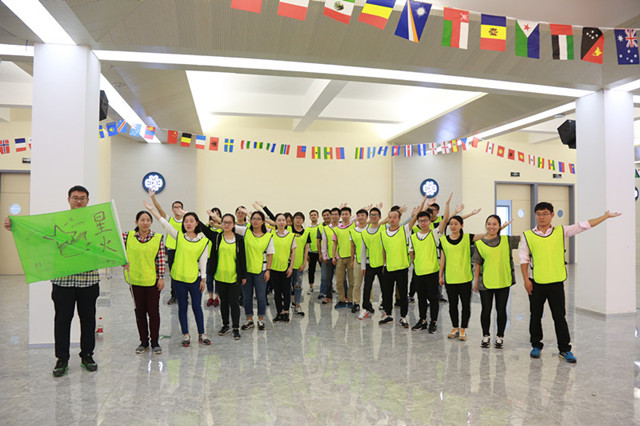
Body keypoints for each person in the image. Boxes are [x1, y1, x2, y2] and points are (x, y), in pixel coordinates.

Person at [4, 185, 100, 377]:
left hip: (88, 280)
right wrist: (15, 226)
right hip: (63, 281)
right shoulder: (57, 221)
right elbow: (38, 234)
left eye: (82, 198)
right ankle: (62, 359)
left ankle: (87, 356)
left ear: (88, 200)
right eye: (75, 198)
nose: (79, 201)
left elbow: (108, 244)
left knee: (88, 320)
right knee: (62, 320)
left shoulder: (96, 223)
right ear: (68, 199)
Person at [519, 202, 621, 363]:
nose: (542, 217)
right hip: (536, 282)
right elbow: (524, 259)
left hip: (556, 282)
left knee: (559, 317)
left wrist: (605, 216)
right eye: (538, 214)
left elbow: (583, 226)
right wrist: (526, 280)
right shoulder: (527, 235)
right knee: (535, 316)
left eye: (545, 213)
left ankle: (565, 349)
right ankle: (536, 345)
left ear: (552, 215)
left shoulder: (561, 231)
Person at [144, 201, 211, 347]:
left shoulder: (203, 241)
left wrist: (203, 279)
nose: (188, 223)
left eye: (191, 221)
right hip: (179, 279)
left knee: (197, 307)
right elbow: (164, 223)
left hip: (194, 279)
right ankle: (185, 334)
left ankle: (202, 333)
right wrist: (152, 210)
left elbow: (203, 261)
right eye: (186, 221)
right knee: (182, 307)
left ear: (196, 223)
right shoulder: (179, 236)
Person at [439, 214, 502, 341]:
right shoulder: (443, 240)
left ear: (461, 225)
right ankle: (455, 327)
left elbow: (486, 234)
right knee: (452, 306)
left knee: (465, 306)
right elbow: (443, 259)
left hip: (465, 278)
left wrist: (498, 228)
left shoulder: (468, 238)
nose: (453, 226)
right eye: (451, 224)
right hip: (450, 278)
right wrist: (440, 275)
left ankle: (463, 328)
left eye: (456, 224)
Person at [473, 215, 520, 349]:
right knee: (486, 310)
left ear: (499, 226)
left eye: (494, 224)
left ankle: (500, 336)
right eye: (489, 224)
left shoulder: (507, 240)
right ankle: (485, 335)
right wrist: (476, 282)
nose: (491, 227)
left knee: (501, 310)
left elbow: (526, 238)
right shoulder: (480, 244)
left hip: (503, 281)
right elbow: (477, 264)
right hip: (485, 282)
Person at [122, 210, 165, 355]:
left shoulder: (157, 238)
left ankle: (155, 342)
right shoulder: (127, 237)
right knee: (139, 313)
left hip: (152, 282)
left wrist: (161, 277)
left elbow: (160, 260)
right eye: (142, 220)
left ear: (151, 222)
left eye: (148, 220)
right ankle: (144, 342)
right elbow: (115, 247)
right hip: (134, 281)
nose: (145, 222)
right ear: (136, 222)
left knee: (153, 313)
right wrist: (121, 261)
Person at [409, 195, 454, 334]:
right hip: (419, 272)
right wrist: (417, 262)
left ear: (430, 221)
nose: (423, 223)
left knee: (433, 299)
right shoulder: (413, 237)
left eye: (425, 220)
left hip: (432, 272)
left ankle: (433, 322)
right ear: (418, 222)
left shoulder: (434, 233)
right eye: (420, 221)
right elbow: (411, 253)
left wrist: (447, 204)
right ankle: (422, 320)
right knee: (421, 298)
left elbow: (445, 220)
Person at [378, 201, 424, 328]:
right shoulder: (383, 233)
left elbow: (414, 219)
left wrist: (423, 204)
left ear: (399, 219)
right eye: (390, 217)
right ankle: (388, 315)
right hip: (389, 268)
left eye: (395, 217)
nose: (392, 219)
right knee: (387, 293)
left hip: (402, 268)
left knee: (403, 294)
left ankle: (403, 317)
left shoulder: (404, 230)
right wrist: (384, 264)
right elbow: (384, 250)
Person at [202, 214, 247, 340]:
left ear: (233, 224)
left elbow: (242, 258)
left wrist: (243, 275)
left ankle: (236, 328)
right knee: (224, 302)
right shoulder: (217, 237)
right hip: (220, 276)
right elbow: (204, 229)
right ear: (221, 224)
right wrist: (188, 215)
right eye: (224, 222)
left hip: (234, 277)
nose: (226, 225)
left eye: (229, 222)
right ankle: (225, 325)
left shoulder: (239, 239)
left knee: (234, 302)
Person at [149, 190, 183, 305]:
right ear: (172, 209)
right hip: (172, 249)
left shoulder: (186, 220)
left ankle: (183, 295)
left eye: (179, 207)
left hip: (184, 250)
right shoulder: (169, 219)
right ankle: (174, 295)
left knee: (183, 273)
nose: (177, 209)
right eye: (175, 207)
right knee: (173, 273)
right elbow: (159, 210)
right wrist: (153, 198)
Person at [359, 207, 384, 319]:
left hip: (382, 265)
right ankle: (365, 308)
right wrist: (363, 266)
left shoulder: (384, 229)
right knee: (367, 287)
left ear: (380, 217)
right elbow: (363, 251)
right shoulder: (365, 232)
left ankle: (386, 309)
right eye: (372, 215)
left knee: (385, 288)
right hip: (370, 264)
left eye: (375, 215)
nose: (373, 217)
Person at [271, 213, 296, 322]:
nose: (281, 222)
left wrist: (291, 267)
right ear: (276, 222)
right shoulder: (271, 234)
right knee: (276, 292)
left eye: (283, 220)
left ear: (286, 222)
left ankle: (286, 312)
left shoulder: (291, 235)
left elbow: (293, 252)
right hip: (273, 267)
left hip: (286, 267)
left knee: (286, 291)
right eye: (279, 220)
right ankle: (279, 312)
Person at [332, 207, 355, 309]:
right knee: (339, 281)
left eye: (347, 214)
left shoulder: (354, 226)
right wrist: (333, 257)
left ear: (350, 215)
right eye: (343, 214)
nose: (345, 216)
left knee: (352, 281)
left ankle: (350, 300)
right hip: (340, 258)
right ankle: (341, 300)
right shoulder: (337, 228)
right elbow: (335, 244)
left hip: (351, 258)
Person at [291, 212, 310, 316]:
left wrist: (304, 263)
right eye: (296, 218)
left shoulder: (306, 233)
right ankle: (289, 305)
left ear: (303, 220)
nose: (298, 220)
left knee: (298, 286)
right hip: (288, 264)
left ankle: (297, 305)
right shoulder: (288, 230)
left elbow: (306, 250)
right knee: (288, 287)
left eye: (300, 218)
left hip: (299, 264)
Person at [349, 209, 368, 313]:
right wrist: (352, 260)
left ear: (366, 217)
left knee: (368, 284)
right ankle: (356, 303)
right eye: (359, 215)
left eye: (363, 215)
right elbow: (352, 247)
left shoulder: (370, 229)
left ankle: (368, 303)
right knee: (356, 284)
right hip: (358, 260)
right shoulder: (353, 231)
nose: (361, 217)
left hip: (369, 261)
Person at [205, 207, 222, 308]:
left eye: (217, 213)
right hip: (209, 257)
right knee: (209, 279)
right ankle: (210, 297)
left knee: (218, 279)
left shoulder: (222, 228)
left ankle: (216, 298)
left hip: (220, 257)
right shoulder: (208, 227)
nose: (215, 215)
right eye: (213, 213)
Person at [307, 210, 321, 294]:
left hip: (320, 252)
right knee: (311, 270)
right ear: (309, 217)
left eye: (315, 215)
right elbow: (306, 242)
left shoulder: (321, 226)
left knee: (325, 271)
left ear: (318, 216)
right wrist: (307, 254)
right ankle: (311, 287)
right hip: (311, 253)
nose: (313, 216)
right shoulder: (307, 229)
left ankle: (330, 287)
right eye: (311, 215)